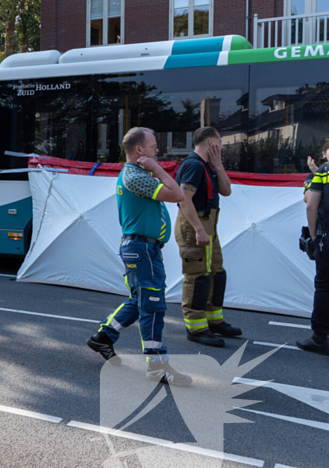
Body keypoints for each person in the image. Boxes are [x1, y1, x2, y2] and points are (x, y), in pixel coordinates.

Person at [87, 127, 192, 386]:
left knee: (140, 299)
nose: (157, 150)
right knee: (153, 305)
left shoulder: (136, 174)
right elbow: (178, 195)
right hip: (142, 249)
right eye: (153, 146)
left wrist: (154, 168)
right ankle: (156, 366)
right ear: (139, 150)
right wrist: (157, 168)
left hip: (142, 248)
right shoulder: (137, 176)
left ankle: (104, 337)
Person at [174, 127, 242, 347]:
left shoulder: (208, 166)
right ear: (211, 143)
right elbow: (184, 199)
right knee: (197, 276)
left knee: (216, 273)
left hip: (209, 225)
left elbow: (227, 191)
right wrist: (199, 230)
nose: (222, 146)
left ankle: (213, 321)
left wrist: (219, 165)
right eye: (220, 142)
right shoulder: (193, 165)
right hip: (196, 226)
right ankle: (196, 328)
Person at [300, 142, 329, 355]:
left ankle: (319, 337)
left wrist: (313, 236)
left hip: (327, 237)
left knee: (324, 286)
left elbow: (310, 203)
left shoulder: (324, 171)